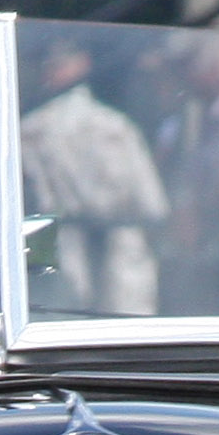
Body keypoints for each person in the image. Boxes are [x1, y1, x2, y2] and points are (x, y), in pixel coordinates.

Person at [19, 40, 167, 315]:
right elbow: (152, 204)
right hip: (122, 255)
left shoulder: (28, 131)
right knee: (126, 343)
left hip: (61, 253)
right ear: (83, 66)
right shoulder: (115, 125)